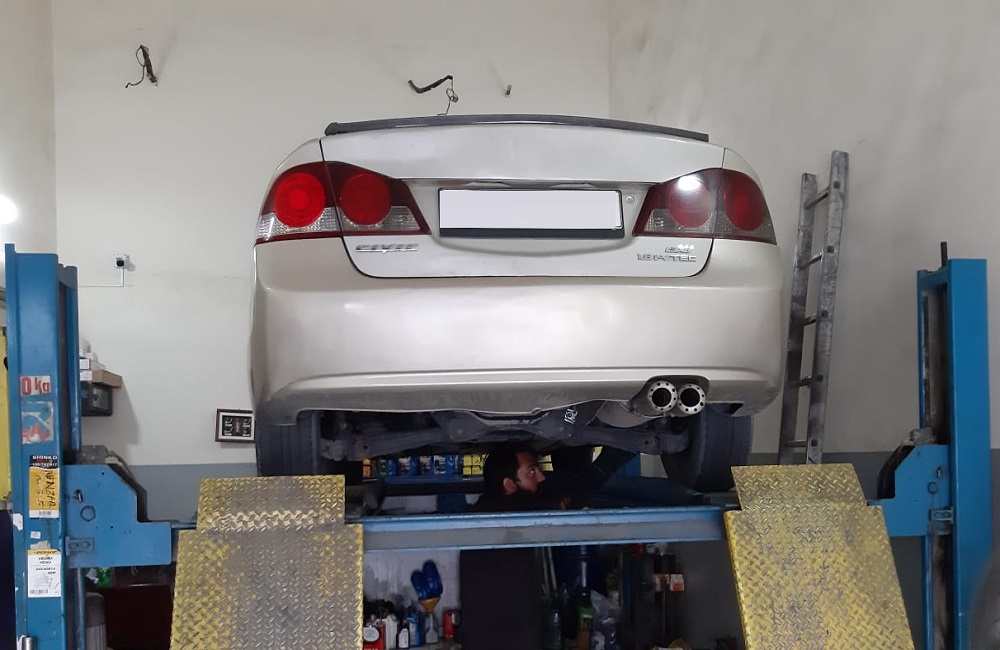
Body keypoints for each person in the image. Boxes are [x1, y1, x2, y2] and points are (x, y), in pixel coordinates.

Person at [459, 444, 551, 650]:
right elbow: (567, 501)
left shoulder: (481, 512)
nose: (541, 477)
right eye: (531, 472)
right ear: (509, 484)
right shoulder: (516, 512)